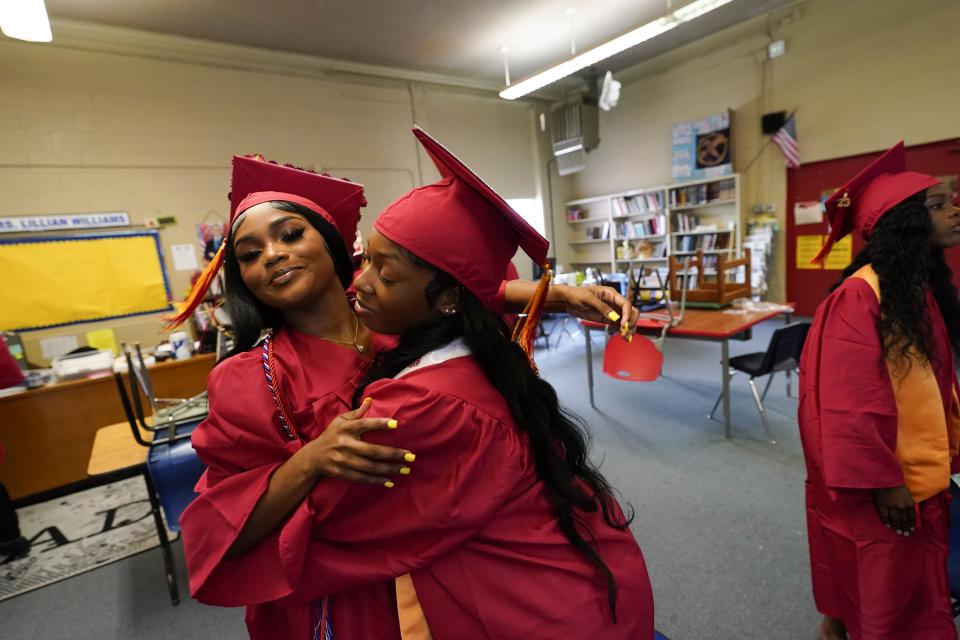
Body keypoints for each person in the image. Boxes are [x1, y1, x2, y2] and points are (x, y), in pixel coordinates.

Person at [172, 154, 642, 638]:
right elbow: (225, 530)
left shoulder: (402, 328)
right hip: (344, 600)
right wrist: (309, 461)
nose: (271, 255)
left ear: (334, 244)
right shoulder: (249, 379)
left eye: (290, 234)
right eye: (249, 254)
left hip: (455, 571)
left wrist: (560, 295)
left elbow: (458, 288)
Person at [799, 141, 960, 640]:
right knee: (884, 591)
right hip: (881, 485)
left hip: (918, 472)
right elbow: (848, 401)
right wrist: (884, 480)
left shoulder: (917, 287)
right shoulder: (859, 296)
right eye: (937, 205)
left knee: (914, 584)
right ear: (904, 223)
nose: (955, 209)